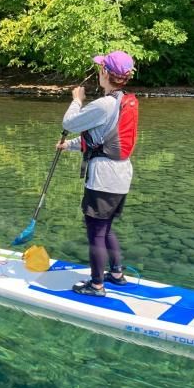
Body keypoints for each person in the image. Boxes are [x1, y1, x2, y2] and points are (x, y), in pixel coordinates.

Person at [58, 51, 138, 297]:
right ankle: (116, 274)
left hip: (104, 177)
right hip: (121, 174)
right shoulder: (124, 100)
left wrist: (76, 100)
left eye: (101, 68)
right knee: (106, 227)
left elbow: (69, 123)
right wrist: (69, 145)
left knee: (95, 231)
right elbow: (102, 138)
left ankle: (96, 286)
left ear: (105, 73)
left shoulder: (104, 104)